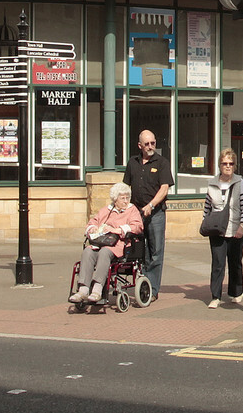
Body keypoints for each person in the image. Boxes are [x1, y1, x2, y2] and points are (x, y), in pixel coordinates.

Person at [72, 182, 143, 305]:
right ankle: (83, 289)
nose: (126, 201)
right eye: (122, 198)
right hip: (100, 242)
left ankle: (97, 289)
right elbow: (92, 222)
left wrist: (118, 230)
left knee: (105, 252)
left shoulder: (132, 210)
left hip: (119, 245)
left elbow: (137, 226)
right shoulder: (106, 210)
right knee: (88, 251)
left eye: (127, 198)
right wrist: (92, 228)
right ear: (115, 199)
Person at [123, 128, 173, 297]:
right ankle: (141, 284)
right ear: (140, 145)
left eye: (153, 143)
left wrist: (151, 205)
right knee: (139, 251)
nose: (151, 146)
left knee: (156, 251)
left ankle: (151, 289)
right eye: (147, 144)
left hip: (155, 213)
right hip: (136, 213)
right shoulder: (132, 163)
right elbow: (126, 188)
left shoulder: (162, 163)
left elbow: (164, 188)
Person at [201, 148, 243, 308]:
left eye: (231, 163)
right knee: (218, 263)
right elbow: (207, 208)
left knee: (235, 262)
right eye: (224, 163)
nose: (227, 166)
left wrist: (242, 226)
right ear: (219, 165)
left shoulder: (240, 183)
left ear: (235, 166)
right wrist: (206, 225)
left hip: (236, 229)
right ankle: (215, 296)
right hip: (217, 229)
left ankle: (236, 292)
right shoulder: (212, 184)